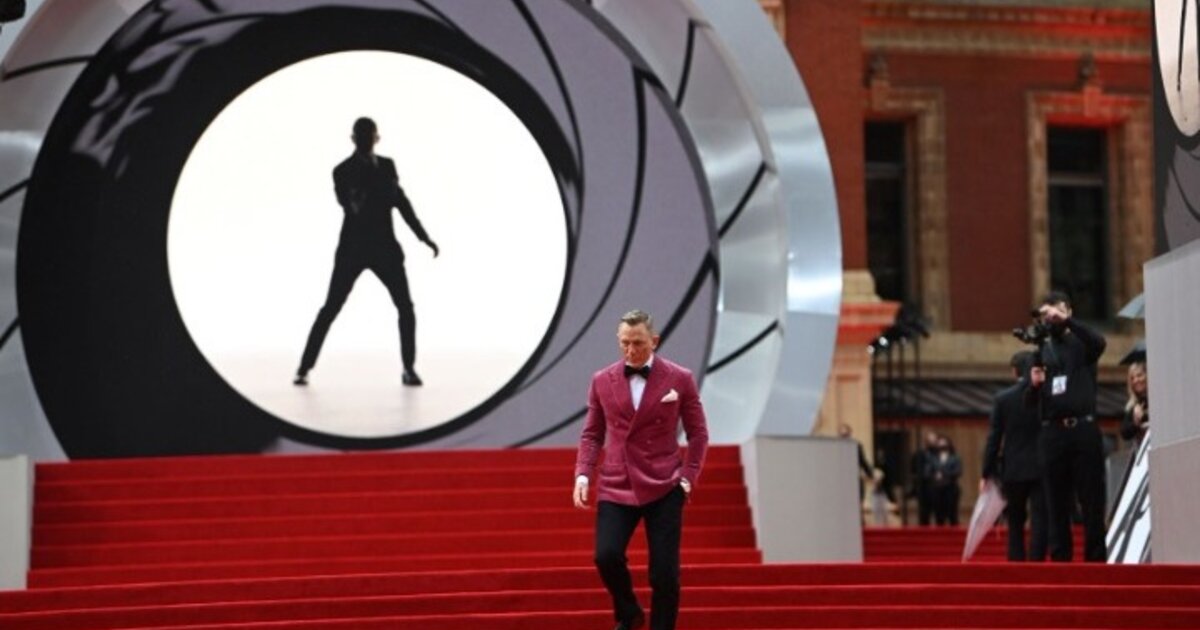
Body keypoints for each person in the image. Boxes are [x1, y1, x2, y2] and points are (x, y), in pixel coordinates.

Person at [573, 309, 709, 630]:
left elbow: (698, 433)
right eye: (624, 343)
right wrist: (583, 473)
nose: (631, 350)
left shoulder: (680, 378)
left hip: (665, 483)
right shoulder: (601, 380)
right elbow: (592, 434)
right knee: (606, 556)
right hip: (616, 482)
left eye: (638, 343)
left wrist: (688, 478)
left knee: (664, 574)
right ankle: (629, 612)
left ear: (654, 341)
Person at [294, 117, 439, 387]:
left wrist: (422, 236)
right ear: (354, 139)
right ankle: (304, 367)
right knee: (331, 307)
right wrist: (364, 193)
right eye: (361, 136)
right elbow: (350, 205)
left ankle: (409, 368)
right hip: (354, 250)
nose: (365, 141)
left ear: (376, 138)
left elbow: (401, 202)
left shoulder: (387, 166)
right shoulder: (342, 171)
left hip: (385, 249)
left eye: (369, 136)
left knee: (405, 307)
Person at [1034, 290, 1107, 562]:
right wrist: (1033, 386)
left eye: (1056, 310)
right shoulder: (1043, 349)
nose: (1051, 317)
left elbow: (1099, 343)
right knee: (1056, 500)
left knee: (1091, 498)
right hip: (1053, 430)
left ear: (1068, 311)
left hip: (1083, 428)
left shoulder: (1081, 343)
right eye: (1046, 313)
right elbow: (1033, 401)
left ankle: (1095, 559)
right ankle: (1060, 560)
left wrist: (1066, 321)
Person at [981, 351, 1048, 561]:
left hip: (1014, 467)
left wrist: (986, 472)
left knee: (1015, 521)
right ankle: (1036, 562)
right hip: (1042, 466)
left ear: (1014, 371)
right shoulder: (1045, 396)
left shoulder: (1003, 399)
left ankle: (1016, 562)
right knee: (1040, 519)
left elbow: (994, 438)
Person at [929, 434, 962, 526]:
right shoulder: (933, 458)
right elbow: (929, 471)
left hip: (950, 489)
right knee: (939, 516)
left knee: (952, 515)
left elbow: (958, 471)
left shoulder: (955, 458)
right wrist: (934, 476)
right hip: (937, 489)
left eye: (944, 444)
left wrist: (944, 474)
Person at [910, 430, 939, 525]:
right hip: (923, 485)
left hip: (936, 485)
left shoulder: (938, 454)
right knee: (924, 511)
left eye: (934, 440)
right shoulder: (920, 453)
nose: (932, 442)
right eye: (930, 440)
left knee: (938, 511)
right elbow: (913, 468)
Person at [1120, 361, 1149, 445]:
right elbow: (1124, 433)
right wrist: (1136, 421)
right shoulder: (1132, 405)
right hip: (1143, 448)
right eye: (1132, 378)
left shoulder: (1157, 398)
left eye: (1139, 375)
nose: (1136, 380)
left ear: (1147, 375)